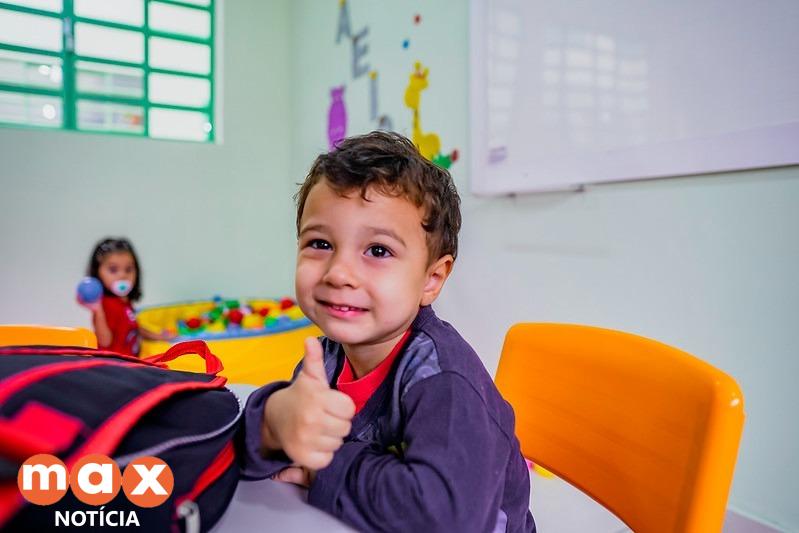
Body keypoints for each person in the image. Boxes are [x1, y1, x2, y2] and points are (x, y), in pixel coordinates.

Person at [239, 131, 535, 532]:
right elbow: (258, 451)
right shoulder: (327, 358)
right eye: (320, 243)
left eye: (378, 251)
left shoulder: (445, 381)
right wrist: (275, 423)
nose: (339, 273)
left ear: (431, 279)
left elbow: (445, 518)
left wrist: (322, 466)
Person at [78, 237, 168, 356]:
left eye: (128, 269)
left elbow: (134, 328)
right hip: (114, 366)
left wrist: (159, 336)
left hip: (131, 361)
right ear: (97, 272)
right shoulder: (103, 305)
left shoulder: (124, 300)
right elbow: (104, 342)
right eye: (113, 269)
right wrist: (97, 310)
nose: (122, 276)